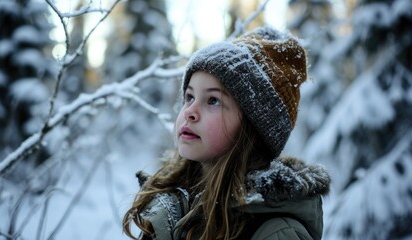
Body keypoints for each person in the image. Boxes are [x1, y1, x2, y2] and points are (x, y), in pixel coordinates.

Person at [123, 26, 331, 240]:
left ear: (253, 127)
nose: (190, 112)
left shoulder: (275, 233)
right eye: (189, 97)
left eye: (213, 100)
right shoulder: (173, 203)